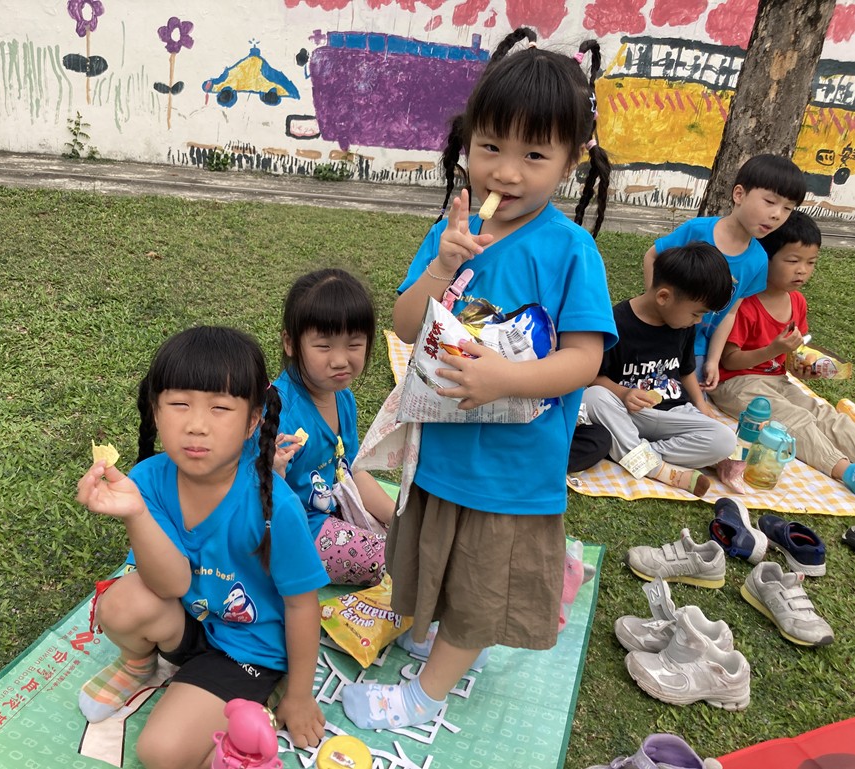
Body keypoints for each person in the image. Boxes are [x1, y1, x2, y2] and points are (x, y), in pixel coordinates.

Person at [340, 31, 618, 730]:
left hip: (511, 471)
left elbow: (585, 360)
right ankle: (440, 634)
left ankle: (424, 694)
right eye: (491, 146)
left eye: (534, 155)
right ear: (468, 142)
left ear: (571, 161)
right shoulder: (452, 230)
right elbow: (406, 325)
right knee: (437, 557)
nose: (507, 172)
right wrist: (442, 266)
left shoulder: (570, 251)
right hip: (441, 454)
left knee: (479, 584)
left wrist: (506, 379)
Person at [75, 326, 329, 768]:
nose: (196, 425)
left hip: (247, 647)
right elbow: (170, 584)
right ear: (156, 411)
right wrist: (136, 513)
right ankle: (140, 666)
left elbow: (302, 604)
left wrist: (300, 694)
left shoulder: (274, 505)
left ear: (252, 421)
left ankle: (253, 707)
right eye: (179, 404)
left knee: (160, 753)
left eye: (220, 408)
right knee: (120, 603)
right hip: (189, 619)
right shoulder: (148, 479)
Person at [709, 210, 855, 493]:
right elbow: (730, 361)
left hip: (776, 380)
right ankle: (844, 470)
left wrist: (802, 368)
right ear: (766, 258)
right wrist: (772, 349)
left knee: (823, 413)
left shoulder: (797, 302)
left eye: (811, 262)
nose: (802, 270)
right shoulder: (745, 303)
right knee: (793, 419)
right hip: (736, 383)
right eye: (792, 260)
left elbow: (787, 358)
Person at [272, 268, 396, 586]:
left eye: (353, 345)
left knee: (409, 534)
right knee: (391, 559)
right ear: (290, 343)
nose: (340, 360)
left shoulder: (343, 397)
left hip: (330, 508)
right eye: (324, 347)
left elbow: (350, 470)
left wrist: (399, 518)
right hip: (294, 530)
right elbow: (260, 501)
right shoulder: (280, 415)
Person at [642, 154, 806, 391]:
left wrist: (712, 360)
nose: (777, 214)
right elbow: (652, 257)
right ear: (739, 194)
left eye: (788, 208)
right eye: (770, 202)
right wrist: (655, 306)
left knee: (690, 399)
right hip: (657, 333)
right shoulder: (696, 230)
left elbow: (730, 313)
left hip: (696, 348)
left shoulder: (758, 260)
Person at [583, 243, 736, 496]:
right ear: (664, 297)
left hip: (673, 414)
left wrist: (700, 404)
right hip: (628, 412)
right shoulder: (617, 322)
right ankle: (659, 469)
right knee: (592, 398)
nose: (698, 321)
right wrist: (623, 393)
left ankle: (633, 452)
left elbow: (686, 370)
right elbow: (592, 378)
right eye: (696, 314)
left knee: (725, 440)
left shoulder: (684, 325)